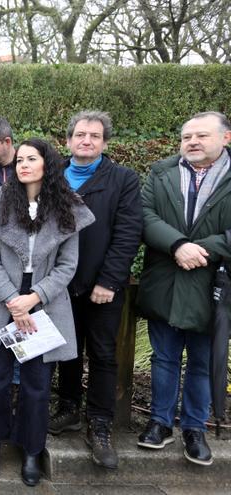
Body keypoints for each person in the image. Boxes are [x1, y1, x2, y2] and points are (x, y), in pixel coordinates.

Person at [0, 138, 94, 486]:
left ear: (46, 164)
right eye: (20, 159)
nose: (23, 164)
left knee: (37, 384)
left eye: (31, 158)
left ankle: (30, 449)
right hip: (0, 300)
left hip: (45, 303)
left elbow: (68, 265)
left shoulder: (67, 205)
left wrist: (34, 297)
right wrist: (13, 299)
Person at [48, 111, 143, 470]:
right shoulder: (52, 176)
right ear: (69, 140)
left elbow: (128, 233)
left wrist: (109, 281)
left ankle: (100, 424)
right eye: (80, 135)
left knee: (103, 355)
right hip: (60, 284)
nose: (87, 140)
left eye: (95, 136)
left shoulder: (122, 180)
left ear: (105, 142)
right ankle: (69, 408)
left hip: (102, 287)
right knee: (65, 351)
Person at [136, 111, 231, 466]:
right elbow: (144, 216)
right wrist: (177, 245)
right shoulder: (161, 172)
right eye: (187, 136)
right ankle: (159, 422)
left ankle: (194, 427)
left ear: (225, 138)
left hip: (213, 284)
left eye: (201, 135)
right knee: (164, 357)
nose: (192, 142)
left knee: (203, 362)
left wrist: (202, 249)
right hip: (167, 278)